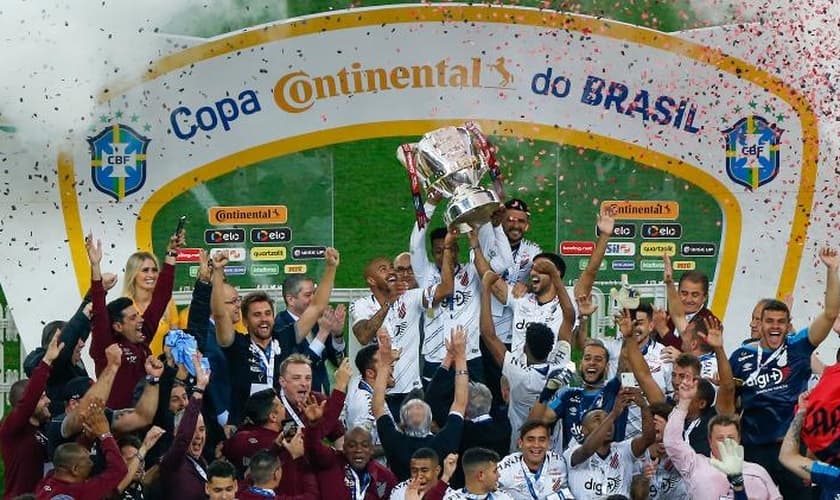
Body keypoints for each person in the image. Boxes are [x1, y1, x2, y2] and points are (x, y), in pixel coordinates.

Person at [729, 248, 839, 497]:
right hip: (754, 449)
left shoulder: (799, 347)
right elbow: (731, 404)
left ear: (788, 324)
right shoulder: (741, 356)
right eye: (769, 321)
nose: (775, 327)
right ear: (760, 324)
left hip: (791, 449)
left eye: (781, 322)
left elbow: (831, 313)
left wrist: (832, 270)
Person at [211, 248, 339, 425]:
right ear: (246, 321)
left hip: (283, 425)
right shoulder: (235, 344)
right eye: (256, 315)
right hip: (245, 426)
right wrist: (217, 273)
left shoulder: (285, 337)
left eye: (267, 313)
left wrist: (331, 268)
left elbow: (316, 307)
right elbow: (219, 315)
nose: (264, 319)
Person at [351, 250, 452, 416]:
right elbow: (363, 336)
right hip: (379, 392)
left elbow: (446, 289)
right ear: (371, 280)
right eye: (383, 269)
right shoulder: (361, 305)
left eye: (391, 267)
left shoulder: (410, 297)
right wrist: (388, 303)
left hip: (411, 392)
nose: (391, 271)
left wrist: (447, 250)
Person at [479, 268, 569, 452]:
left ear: (525, 348)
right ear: (551, 347)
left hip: (519, 449)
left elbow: (488, 334)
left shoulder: (517, 372)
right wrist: (556, 280)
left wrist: (486, 289)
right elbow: (569, 317)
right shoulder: (561, 365)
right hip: (553, 452)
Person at [86, 233, 180, 409]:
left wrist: (171, 255)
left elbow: (161, 298)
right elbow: (99, 312)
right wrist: (96, 268)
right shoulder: (106, 346)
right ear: (118, 326)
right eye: (133, 317)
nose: (140, 319)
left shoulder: (142, 336)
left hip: (144, 418)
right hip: (115, 422)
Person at [663, 375, 781, 499]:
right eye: (720, 438)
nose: (726, 442)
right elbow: (671, 442)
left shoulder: (758, 472)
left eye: (730, 437)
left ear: (739, 439)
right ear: (709, 440)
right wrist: (684, 402)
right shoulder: (695, 465)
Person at [375, 327, 468, 481]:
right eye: (411, 408)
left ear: (431, 420)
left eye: (420, 406)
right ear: (402, 421)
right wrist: (460, 358)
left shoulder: (439, 440)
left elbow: (378, 407)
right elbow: (459, 404)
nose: (416, 407)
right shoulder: (397, 441)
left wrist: (456, 358)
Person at [530, 339, 625, 452]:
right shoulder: (568, 395)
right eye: (587, 358)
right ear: (581, 364)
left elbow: (626, 366)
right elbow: (536, 422)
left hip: (609, 464)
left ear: (607, 366)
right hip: (573, 465)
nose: (592, 362)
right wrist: (548, 390)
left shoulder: (613, 391)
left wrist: (629, 337)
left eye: (598, 359)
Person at [304, 390, 398, 500]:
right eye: (352, 445)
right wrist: (314, 425)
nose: (358, 450)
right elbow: (312, 447)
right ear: (344, 448)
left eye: (364, 445)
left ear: (372, 450)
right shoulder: (331, 462)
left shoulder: (384, 477)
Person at [0, 332, 62, 498]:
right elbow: (28, 401)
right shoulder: (11, 430)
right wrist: (46, 362)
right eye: (42, 397)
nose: (48, 400)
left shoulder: (44, 429)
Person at [564, 387, 655, 499]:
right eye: (597, 419)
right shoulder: (572, 452)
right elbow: (587, 450)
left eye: (608, 419)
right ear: (584, 430)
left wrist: (644, 406)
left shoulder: (623, 450)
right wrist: (613, 414)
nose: (607, 423)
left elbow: (648, 439)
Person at [35, 400, 128, 500]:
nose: (91, 464)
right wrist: (105, 434)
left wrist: (88, 438)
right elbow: (119, 469)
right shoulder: (80, 492)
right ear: (75, 469)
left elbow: (75, 453)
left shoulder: (48, 480)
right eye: (88, 461)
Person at [272, 271, 344, 394]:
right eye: (308, 295)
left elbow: (339, 363)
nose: (314, 299)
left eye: (314, 294)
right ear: (291, 299)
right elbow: (297, 366)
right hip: (297, 400)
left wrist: (337, 335)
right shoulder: (280, 327)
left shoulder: (318, 323)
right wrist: (322, 334)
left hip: (322, 398)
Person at [159, 352, 211, 499]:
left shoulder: (201, 462)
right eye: (193, 431)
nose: (199, 436)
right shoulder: (173, 462)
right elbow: (183, 438)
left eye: (201, 430)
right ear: (176, 432)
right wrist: (199, 388)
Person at [779, 391, 840, 499]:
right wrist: (802, 412)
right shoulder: (833, 475)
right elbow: (787, 457)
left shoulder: (834, 475)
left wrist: (801, 413)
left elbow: (787, 456)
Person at [121, 249, 182, 357]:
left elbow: (176, 341)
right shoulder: (124, 307)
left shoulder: (168, 303)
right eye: (145, 270)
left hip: (163, 368)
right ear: (133, 274)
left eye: (154, 270)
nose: (151, 275)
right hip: (136, 370)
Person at [277, 354, 346, 445]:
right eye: (297, 378)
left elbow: (339, 436)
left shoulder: (319, 400)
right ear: (282, 382)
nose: (304, 383)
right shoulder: (275, 405)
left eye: (308, 378)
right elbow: (294, 445)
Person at [497, 420, 572, 499]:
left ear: (549, 443)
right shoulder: (505, 468)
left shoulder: (560, 463)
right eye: (530, 439)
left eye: (542, 440)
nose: (536, 445)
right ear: (520, 443)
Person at [344, 343, 396, 456]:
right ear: (370, 373)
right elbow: (360, 449)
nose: (391, 365)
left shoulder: (361, 383)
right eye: (384, 363)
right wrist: (395, 444)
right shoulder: (366, 405)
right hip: (372, 472)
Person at [438, 447, 513, 500]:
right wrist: (446, 476)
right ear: (481, 475)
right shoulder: (452, 498)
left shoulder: (504, 497)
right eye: (495, 471)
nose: (498, 475)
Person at [114, 427, 165, 500]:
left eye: (141, 460)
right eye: (131, 460)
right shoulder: (109, 488)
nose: (138, 465)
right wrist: (144, 447)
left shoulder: (144, 491)